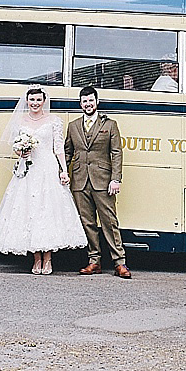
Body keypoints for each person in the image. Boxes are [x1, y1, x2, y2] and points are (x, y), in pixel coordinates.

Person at [0, 85, 86, 274]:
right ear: (27, 101)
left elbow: (58, 148)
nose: (35, 103)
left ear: (44, 101)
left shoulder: (54, 121)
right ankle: (36, 258)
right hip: (28, 169)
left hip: (47, 167)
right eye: (32, 100)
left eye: (38, 100)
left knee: (46, 211)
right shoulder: (21, 121)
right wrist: (21, 151)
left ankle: (48, 259)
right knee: (29, 210)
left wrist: (64, 171)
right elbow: (15, 146)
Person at [62, 86, 131, 278]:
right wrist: (62, 172)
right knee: (87, 223)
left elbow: (116, 152)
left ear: (97, 102)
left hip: (103, 181)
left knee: (110, 222)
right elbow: (68, 152)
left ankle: (119, 262)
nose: (88, 104)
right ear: (80, 104)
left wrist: (115, 179)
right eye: (84, 101)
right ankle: (94, 261)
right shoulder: (73, 126)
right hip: (80, 181)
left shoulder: (110, 125)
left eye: (91, 100)